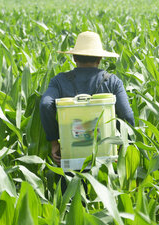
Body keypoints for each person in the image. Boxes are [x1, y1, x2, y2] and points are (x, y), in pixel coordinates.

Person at [39, 31, 135, 165]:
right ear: (99, 59)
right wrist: (124, 146)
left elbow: (45, 104)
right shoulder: (112, 82)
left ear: (74, 57)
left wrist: (54, 142)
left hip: (70, 156)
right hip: (106, 158)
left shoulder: (59, 81)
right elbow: (127, 116)